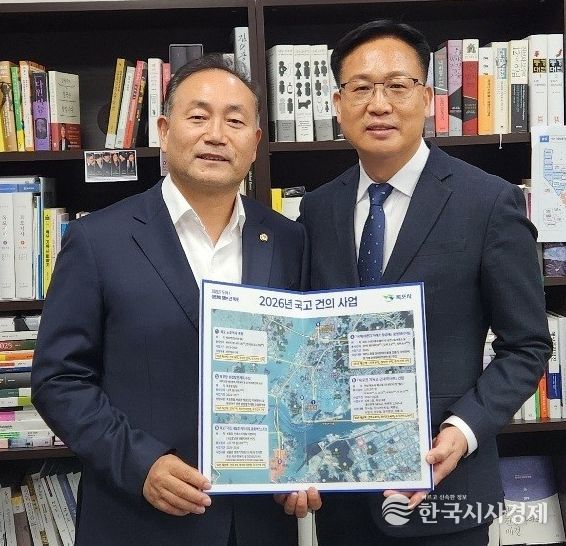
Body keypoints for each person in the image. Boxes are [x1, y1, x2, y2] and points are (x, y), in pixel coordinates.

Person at [31, 54, 320, 546]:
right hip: (138, 519)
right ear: (164, 131)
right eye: (198, 116)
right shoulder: (98, 240)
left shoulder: (289, 239)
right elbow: (58, 379)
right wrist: (140, 463)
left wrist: (305, 461)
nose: (216, 135)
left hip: (258, 523)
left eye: (235, 121)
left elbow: (306, 366)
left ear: (255, 142)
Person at [298, 20, 552, 545]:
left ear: (427, 97)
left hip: (445, 486)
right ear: (337, 104)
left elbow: (527, 345)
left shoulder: (489, 202)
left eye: (397, 85)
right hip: (342, 495)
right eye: (361, 88)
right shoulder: (317, 209)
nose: (379, 104)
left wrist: (462, 431)